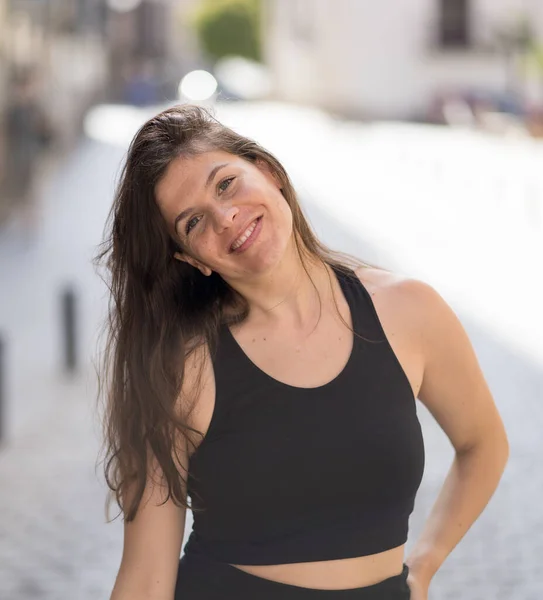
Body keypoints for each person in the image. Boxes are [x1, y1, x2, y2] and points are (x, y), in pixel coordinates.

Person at [98, 104, 509, 600]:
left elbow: (483, 443)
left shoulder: (408, 311)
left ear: (267, 172)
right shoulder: (182, 367)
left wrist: (423, 565)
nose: (226, 217)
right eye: (194, 223)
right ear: (190, 259)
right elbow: (145, 579)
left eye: (226, 184)